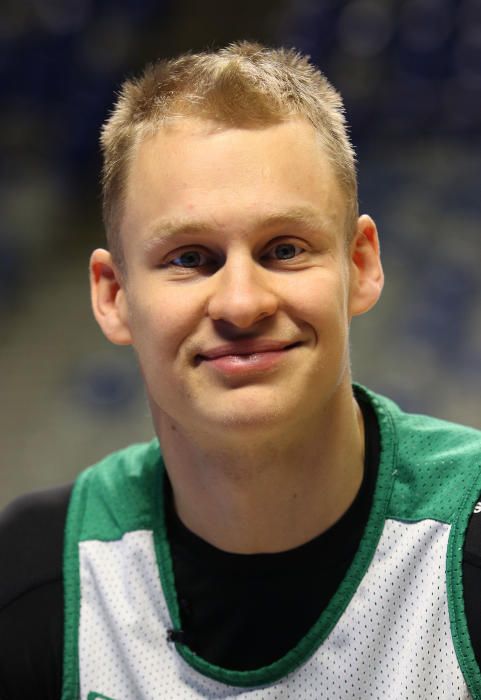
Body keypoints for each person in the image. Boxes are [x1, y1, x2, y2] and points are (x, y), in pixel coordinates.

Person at [1, 41, 481, 700]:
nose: (241, 302)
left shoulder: (465, 539)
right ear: (113, 297)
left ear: (360, 265)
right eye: (189, 258)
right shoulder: (34, 583)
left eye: (284, 249)